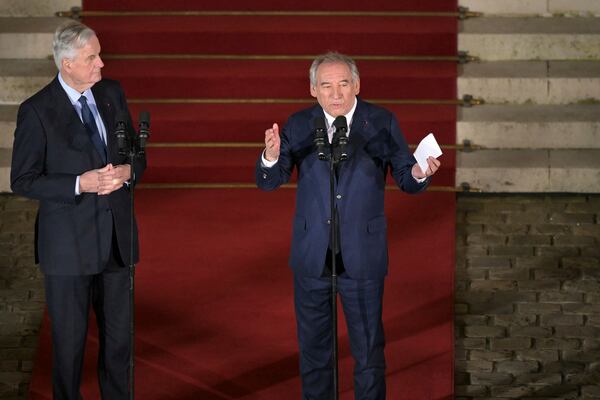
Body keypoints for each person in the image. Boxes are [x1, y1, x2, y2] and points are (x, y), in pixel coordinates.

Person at [255, 52, 440, 399]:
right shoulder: (298, 125)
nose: (336, 93)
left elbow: (405, 174)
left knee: (369, 353)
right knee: (314, 355)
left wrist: (419, 173)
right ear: (313, 89)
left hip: (362, 257)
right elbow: (269, 180)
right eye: (326, 85)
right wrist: (270, 156)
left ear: (357, 84)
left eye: (343, 84)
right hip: (312, 258)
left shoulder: (381, 121)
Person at [10, 20, 145, 400]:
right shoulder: (36, 111)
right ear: (67, 64)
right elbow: (22, 179)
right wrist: (78, 183)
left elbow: (137, 154)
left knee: (119, 347)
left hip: (116, 244)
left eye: (99, 54)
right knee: (68, 350)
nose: (102, 63)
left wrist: (129, 170)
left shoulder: (112, 94)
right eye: (92, 58)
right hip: (68, 249)